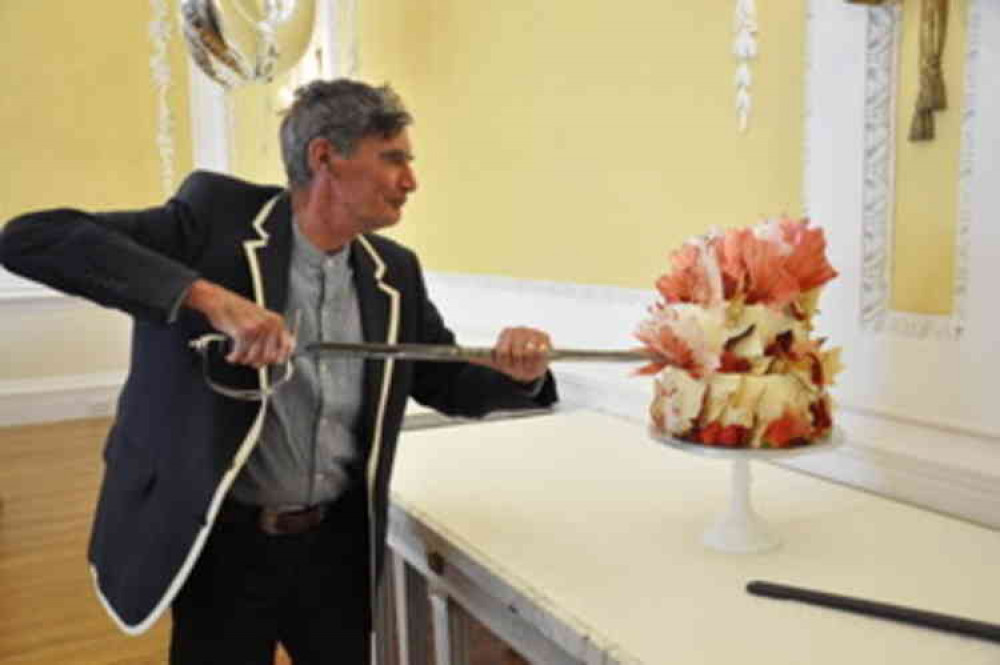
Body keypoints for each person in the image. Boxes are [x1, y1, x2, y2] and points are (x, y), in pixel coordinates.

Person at [0, 78, 557, 664]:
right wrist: (206, 298)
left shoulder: (393, 272)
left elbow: (446, 380)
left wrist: (518, 372)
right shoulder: (213, 220)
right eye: (393, 159)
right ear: (324, 157)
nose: (410, 181)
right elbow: (31, 238)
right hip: (222, 546)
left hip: (335, 549)